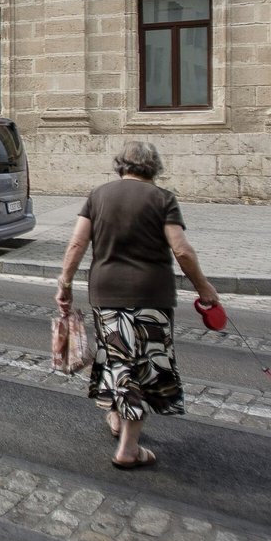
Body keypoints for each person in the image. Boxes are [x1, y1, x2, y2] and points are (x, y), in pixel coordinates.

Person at [54, 141, 219, 470]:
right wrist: (204, 288)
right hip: (150, 296)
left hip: (107, 293)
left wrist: (65, 284)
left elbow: (76, 243)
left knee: (117, 356)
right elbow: (182, 250)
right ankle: (128, 449)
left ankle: (116, 418)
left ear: (120, 165)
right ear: (153, 167)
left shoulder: (98, 195)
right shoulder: (163, 199)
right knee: (141, 365)